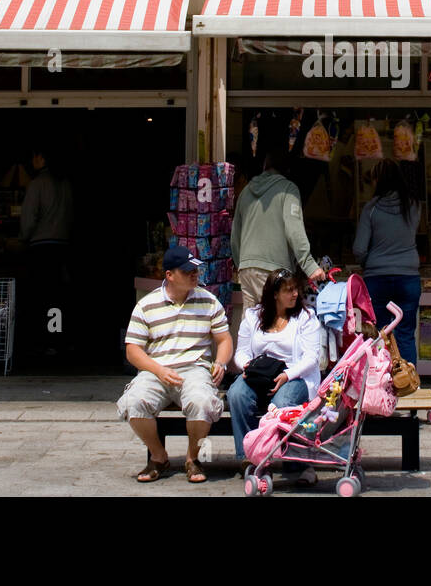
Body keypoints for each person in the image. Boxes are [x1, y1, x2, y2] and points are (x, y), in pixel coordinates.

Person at [116, 246, 233, 483]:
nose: (194, 274)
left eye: (196, 270)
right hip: (155, 371)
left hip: (194, 369)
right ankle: (159, 456)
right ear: (169, 275)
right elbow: (132, 350)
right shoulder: (147, 305)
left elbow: (224, 339)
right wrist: (158, 370)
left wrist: (220, 362)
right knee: (133, 402)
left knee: (202, 402)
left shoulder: (209, 301)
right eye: (187, 270)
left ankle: (192, 458)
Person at [228, 267, 323, 481]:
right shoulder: (253, 317)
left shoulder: (306, 317)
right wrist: (247, 367)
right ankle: (250, 457)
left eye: (296, 289)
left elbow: (311, 358)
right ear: (274, 294)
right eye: (288, 290)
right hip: (258, 374)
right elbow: (241, 352)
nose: (295, 294)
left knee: (282, 403)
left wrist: (287, 376)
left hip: (294, 376)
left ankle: (292, 463)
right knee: (236, 395)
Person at [231, 148, 324, 310]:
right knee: (273, 326)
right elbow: (294, 230)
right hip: (273, 271)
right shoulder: (288, 189)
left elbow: (235, 237)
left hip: (246, 269)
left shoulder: (246, 192)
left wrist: (242, 265)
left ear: (264, 166)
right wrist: (309, 265)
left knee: (251, 325)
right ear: (287, 170)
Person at [354, 160, 422, 365]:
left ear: (379, 180)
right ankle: (408, 384)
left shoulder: (371, 209)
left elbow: (359, 249)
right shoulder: (414, 206)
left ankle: (382, 385)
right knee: (406, 334)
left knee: (380, 333)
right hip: (408, 277)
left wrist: (371, 261)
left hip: (377, 279)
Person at [18, 146, 73, 358]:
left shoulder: (37, 184)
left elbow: (29, 218)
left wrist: (23, 238)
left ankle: (44, 341)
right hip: (62, 245)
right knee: (59, 296)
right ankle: (60, 339)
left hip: (42, 246)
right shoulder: (66, 184)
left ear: (41, 157)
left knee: (41, 296)